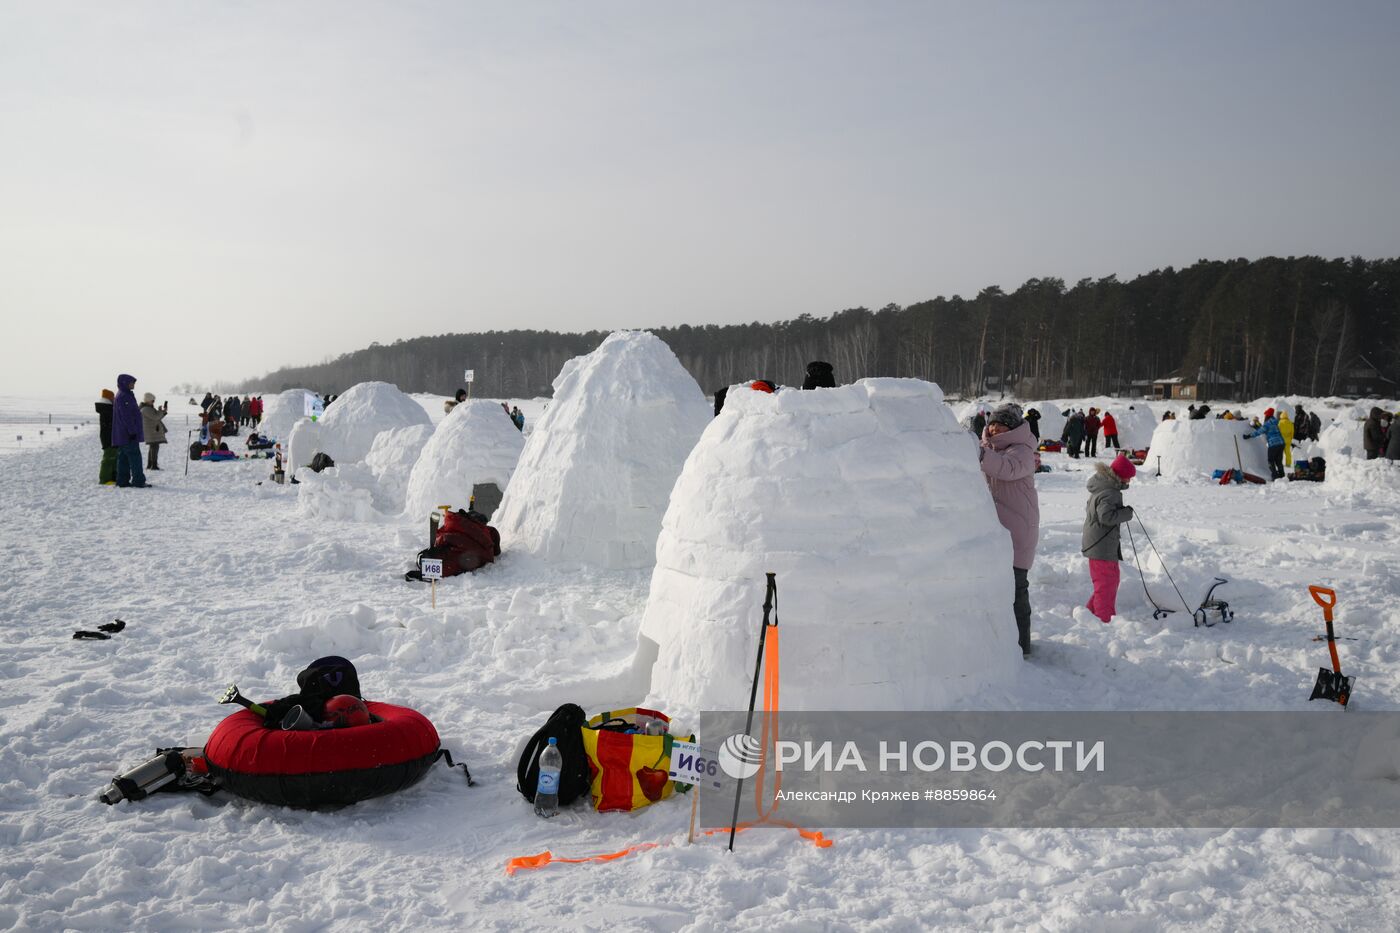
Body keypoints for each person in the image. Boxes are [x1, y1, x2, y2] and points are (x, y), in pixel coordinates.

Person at [978, 403, 1040, 658]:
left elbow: (1006, 469)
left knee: (1016, 590)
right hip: (996, 533)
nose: (993, 428)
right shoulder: (988, 449)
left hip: (1018, 532)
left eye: (1000, 424)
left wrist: (978, 453)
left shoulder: (1022, 451)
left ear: (1012, 427)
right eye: (991, 423)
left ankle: (1021, 646)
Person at [1082, 454, 1136, 623]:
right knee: (1106, 585)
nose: (1130, 481)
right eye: (1129, 478)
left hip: (1099, 544)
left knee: (1106, 583)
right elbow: (1106, 517)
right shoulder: (1109, 492)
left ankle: (1088, 615)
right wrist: (1126, 513)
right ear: (1121, 476)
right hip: (1101, 546)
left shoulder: (1102, 487)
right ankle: (1104, 620)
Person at [111, 374, 148, 488]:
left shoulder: (123, 395)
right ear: (125, 383)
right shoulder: (124, 396)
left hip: (122, 435)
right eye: (132, 382)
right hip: (127, 434)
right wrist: (132, 431)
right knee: (134, 457)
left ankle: (122, 481)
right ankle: (138, 481)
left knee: (123, 458)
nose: (133, 384)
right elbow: (127, 416)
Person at [1244, 408, 1286, 480]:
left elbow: (1260, 431)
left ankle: (1275, 476)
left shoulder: (1267, 424)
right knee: (1278, 461)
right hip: (1281, 443)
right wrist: (1258, 427)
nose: (1265, 416)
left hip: (1273, 444)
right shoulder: (1275, 421)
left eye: (1265, 415)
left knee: (1271, 460)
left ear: (1267, 416)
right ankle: (1282, 475)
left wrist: (1249, 435)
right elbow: (1265, 429)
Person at [139, 392, 168, 471]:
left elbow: (157, 417)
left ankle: (150, 464)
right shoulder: (146, 409)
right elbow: (156, 417)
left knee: (153, 447)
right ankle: (153, 465)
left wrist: (162, 411)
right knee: (154, 447)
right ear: (147, 400)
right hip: (152, 431)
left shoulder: (148, 408)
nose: (153, 402)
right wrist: (162, 411)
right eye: (152, 400)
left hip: (152, 430)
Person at [95, 388, 117, 485]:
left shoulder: (107, 409)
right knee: (108, 458)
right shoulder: (108, 410)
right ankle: (105, 479)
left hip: (109, 437)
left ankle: (111, 477)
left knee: (113, 457)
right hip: (108, 438)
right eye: (113, 397)